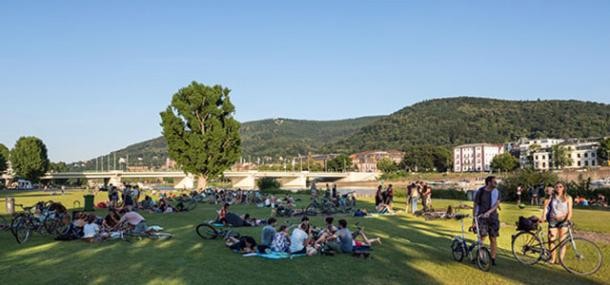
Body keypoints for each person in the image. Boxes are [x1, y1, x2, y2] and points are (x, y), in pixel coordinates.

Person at [541, 182, 573, 264]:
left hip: (563, 220)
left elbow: (570, 211)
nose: (558, 188)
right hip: (553, 220)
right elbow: (545, 207)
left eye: (560, 186)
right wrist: (543, 217)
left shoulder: (568, 198)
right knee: (551, 240)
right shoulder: (551, 197)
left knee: (562, 241)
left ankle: (560, 260)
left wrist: (567, 220)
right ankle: (553, 258)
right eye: (557, 186)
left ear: (564, 188)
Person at [473, 176, 500, 266]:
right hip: (481, 218)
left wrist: (489, 212)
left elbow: (496, 204)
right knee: (482, 237)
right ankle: (480, 256)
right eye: (494, 182)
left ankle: (493, 258)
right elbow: (475, 205)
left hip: (493, 218)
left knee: (493, 238)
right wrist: (474, 218)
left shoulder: (496, 192)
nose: (496, 183)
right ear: (488, 183)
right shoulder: (480, 192)